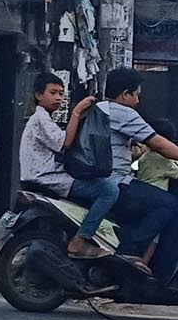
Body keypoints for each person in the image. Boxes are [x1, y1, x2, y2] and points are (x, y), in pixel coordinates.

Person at [87, 67, 178, 272]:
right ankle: (129, 251)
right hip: (115, 182)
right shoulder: (124, 113)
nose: (137, 102)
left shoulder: (98, 109)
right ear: (125, 94)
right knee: (170, 206)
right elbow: (159, 144)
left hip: (94, 181)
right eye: (136, 96)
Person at [43, 74, 129, 259]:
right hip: (50, 178)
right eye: (53, 93)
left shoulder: (47, 119)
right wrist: (76, 113)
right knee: (109, 191)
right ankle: (81, 240)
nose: (59, 97)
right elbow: (65, 143)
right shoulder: (40, 120)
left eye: (61, 93)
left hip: (53, 175)